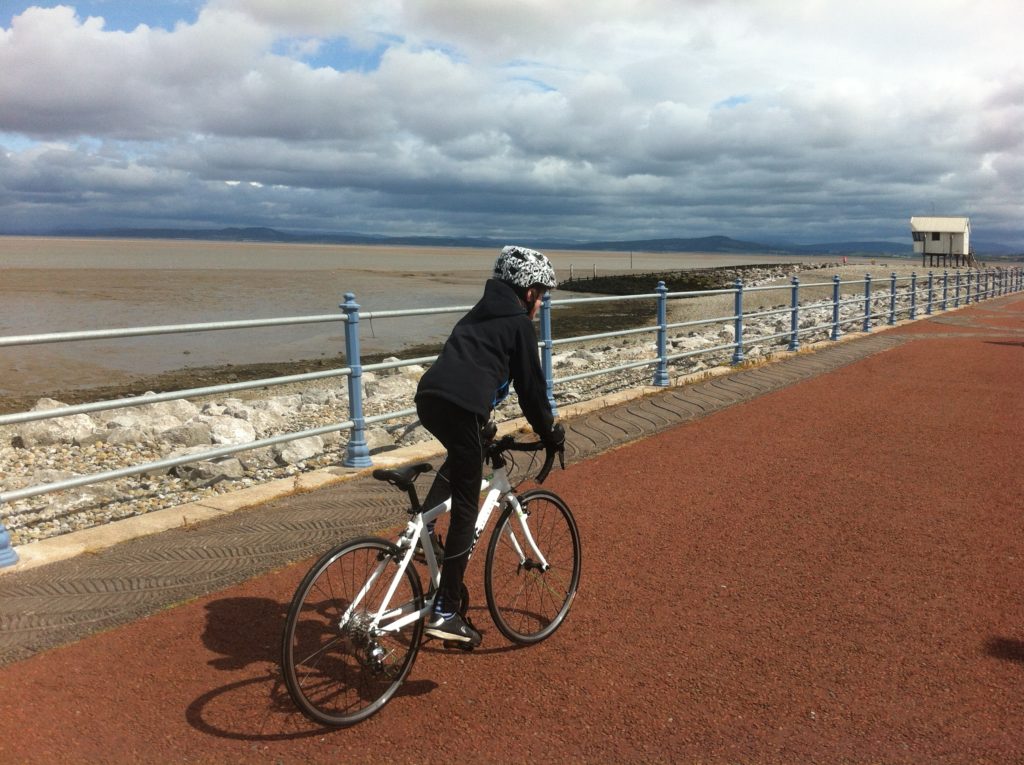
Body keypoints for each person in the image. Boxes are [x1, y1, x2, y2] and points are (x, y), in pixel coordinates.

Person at [414, 245, 565, 646]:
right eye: (542, 294)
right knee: (466, 510)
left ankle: (424, 528)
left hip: (430, 399)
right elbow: (532, 392)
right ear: (528, 292)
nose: (541, 303)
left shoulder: (477, 313)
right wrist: (550, 433)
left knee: (466, 452)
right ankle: (445, 611)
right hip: (464, 408)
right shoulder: (517, 324)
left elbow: (467, 365)